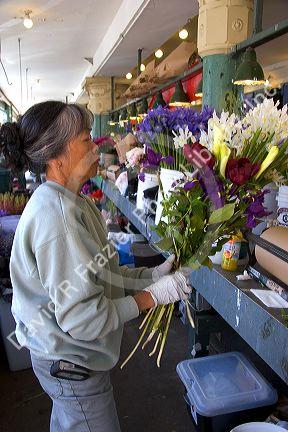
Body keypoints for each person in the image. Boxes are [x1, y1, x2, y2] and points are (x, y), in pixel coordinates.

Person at [0, 101, 191, 432]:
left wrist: (152, 276)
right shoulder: (57, 219)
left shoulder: (75, 200)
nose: (96, 146)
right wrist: (152, 297)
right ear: (56, 157)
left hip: (69, 357)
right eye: (86, 140)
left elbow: (103, 272)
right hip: (71, 365)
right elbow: (83, 320)